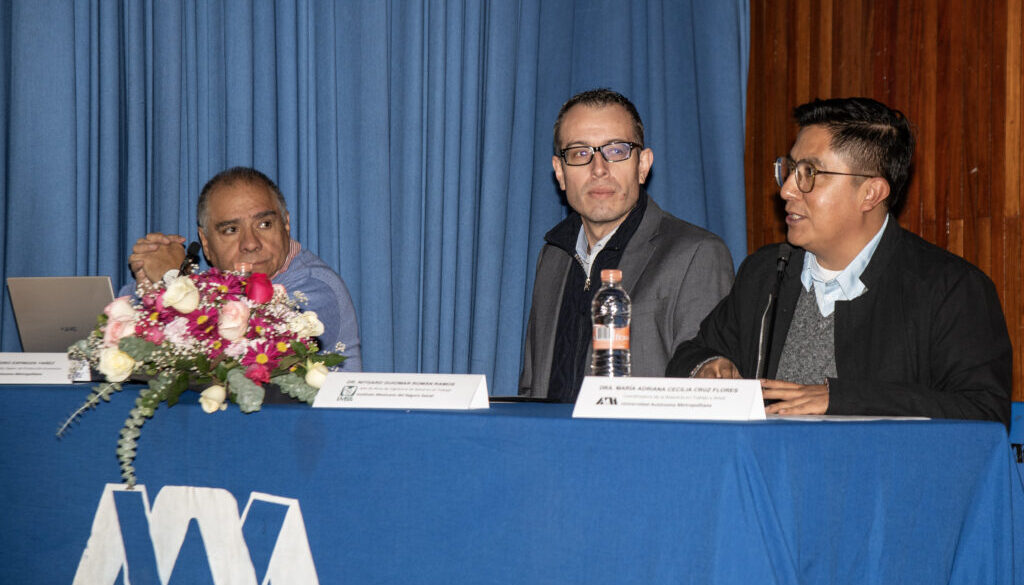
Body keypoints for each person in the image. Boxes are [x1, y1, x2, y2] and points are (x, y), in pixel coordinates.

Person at [666, 97, 1011, 425]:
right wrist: (708, 366)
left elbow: (983, 409)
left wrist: (841, 400)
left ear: (870, 193)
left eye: (809, 173)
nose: (787, 189)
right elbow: (690, 355)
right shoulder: (766, 272)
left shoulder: (950, 289)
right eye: (789, 169)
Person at [518, 88, 734, 402]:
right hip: (551, 448)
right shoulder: (553, 256)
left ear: (643, 165)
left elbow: (706, 398)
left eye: (616, 151)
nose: (599, 169)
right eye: (580, 153)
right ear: (560, 172)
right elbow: (532, 385)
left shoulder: (696, 254)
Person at [121, 167, 362, 373]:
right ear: (205, 242)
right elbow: (112, 336)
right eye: (231, 230)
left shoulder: (315, 287)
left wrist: (174, 280)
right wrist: (149, 287)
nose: (250, 243)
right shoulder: (211, 286)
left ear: (286, 224)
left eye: (264, 224)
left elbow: (242, 354)